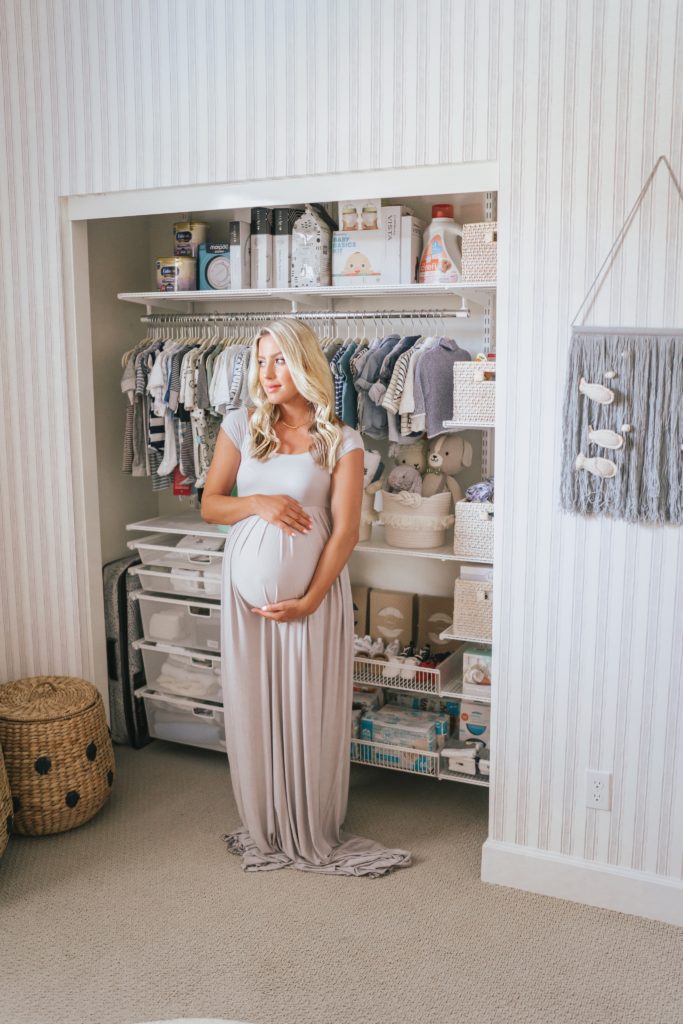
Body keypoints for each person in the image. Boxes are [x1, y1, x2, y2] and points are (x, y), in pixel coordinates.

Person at [201, 318, 411, 876]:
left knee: (305, 707)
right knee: (254, 704)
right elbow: (211, 504)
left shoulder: (342, 438)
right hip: (245, 607)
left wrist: (313, 598)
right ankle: (266, 819)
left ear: (305, 364)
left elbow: (345, 531)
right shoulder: (241, 426)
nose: (268, 374)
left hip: (311, 601)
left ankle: (308, 820)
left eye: (280, 360)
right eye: (261, 361)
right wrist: (258, 503)